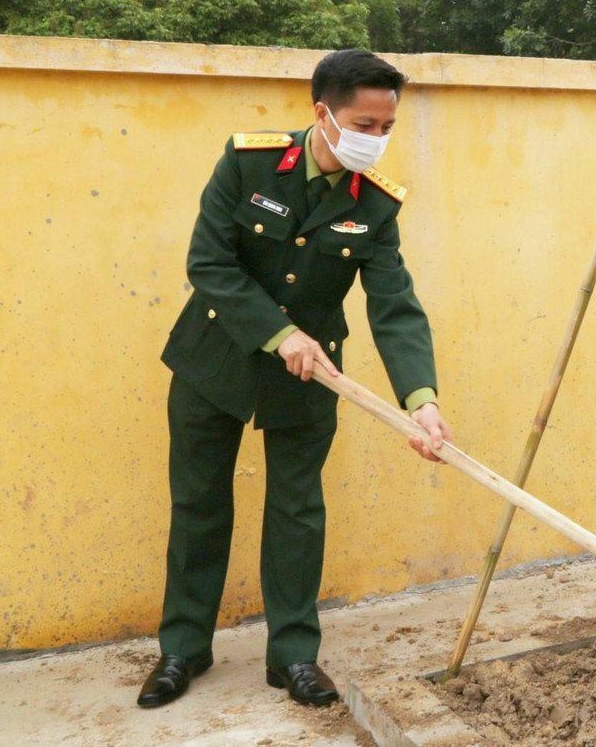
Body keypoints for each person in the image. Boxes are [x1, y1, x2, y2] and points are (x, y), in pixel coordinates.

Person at [137, 49, 453, 709]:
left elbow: (395, 305)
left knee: (297, 512)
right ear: (322, 113)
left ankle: (294, 655)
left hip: (311, 378)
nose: (376, 139)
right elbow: (209, 263)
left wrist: (421, 401)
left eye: (385, 127)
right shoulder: (249, 162)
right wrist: (280, 333)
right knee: (198, 504)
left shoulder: (377, 205)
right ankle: (183, 647)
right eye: (364, 124)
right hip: (213, 359)